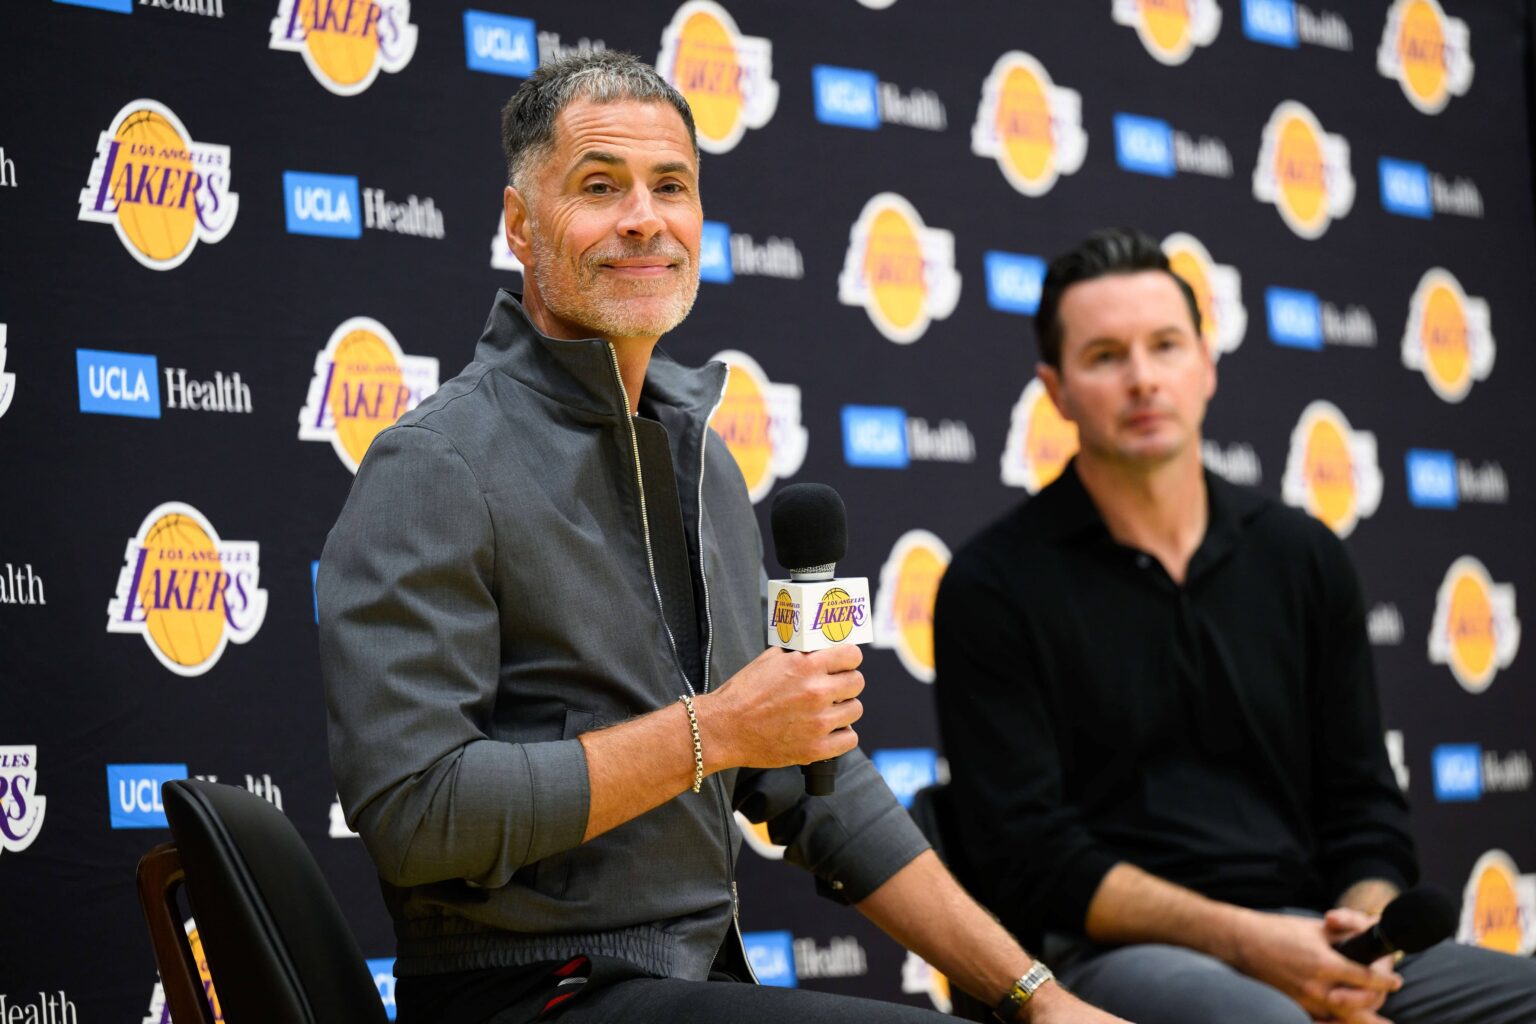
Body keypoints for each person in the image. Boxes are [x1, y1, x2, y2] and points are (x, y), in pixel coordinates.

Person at [319, 52, 1127, 1024]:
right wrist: (719, 731)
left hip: (697, 980)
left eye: (673, 186)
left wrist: (1036, 996)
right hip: (529, 994)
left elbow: (814, 785)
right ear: (519, 227)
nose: (644, 218)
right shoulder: (438, 463)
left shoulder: (706, 461)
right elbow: (417, 811)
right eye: (599, 185)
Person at [933, 228, 1536, 1024]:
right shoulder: (993, 585)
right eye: (1106, 356)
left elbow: (1365, 805)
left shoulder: (1303, 556)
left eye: (1166, 346)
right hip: (1104, 957)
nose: (1144, 379)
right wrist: (1254, 946)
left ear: (1207, 365)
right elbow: (1034, 861)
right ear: (1057, 392)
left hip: (1315, 931)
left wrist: (1363, 934)